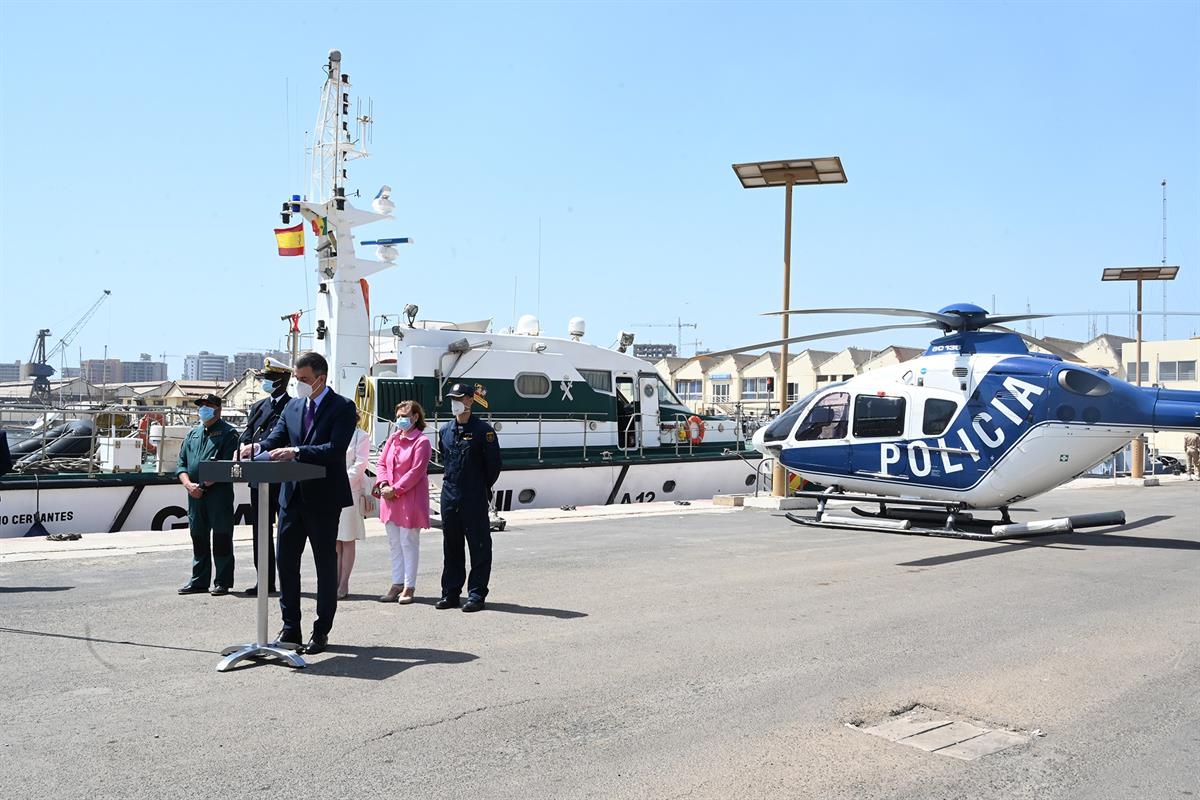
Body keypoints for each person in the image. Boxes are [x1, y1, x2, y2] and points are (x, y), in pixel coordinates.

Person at [240, 351, 356, 655]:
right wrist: (257, 447)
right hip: (290, 498)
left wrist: (297, 452)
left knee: (324, 566)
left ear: (321, 379)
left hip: (323, 499)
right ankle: (290, 627)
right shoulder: (291, 407)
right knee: (286, 563)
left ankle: (321, 631)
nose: (298, 384)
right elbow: (275, 439)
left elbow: (334, 448)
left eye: (303, 379)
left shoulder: (343, 407)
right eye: (296, 378)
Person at [435, 383, 501, 612]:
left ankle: (476, 594)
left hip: (473, 496)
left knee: (479, 546)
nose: (455, 402)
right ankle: (451, 593)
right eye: (452, 398)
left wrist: (478, 488)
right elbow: (445, 459)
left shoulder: (485, 431)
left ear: (470, 400)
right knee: (451, 546)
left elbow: (493, 467)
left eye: (459, 398)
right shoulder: (445, 431)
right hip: (450, 495)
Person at [237, 356, 292, 595]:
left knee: (286, 531)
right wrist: (242, 448)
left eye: (269, 379)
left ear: (281, 381)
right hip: (259, 476)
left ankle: (288, 580)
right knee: (260, 530)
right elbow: (248, 434)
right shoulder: (259, 407)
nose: (265, 383)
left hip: (282, 476)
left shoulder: (293, 406)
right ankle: (265, 581)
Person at [175, 394, 240, 596]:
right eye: (201, 405)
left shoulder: (229, 433)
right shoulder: (192, 434)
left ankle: (222, 581)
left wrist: (204, 484)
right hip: (194, 495)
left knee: (221, 537)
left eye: (208, 405)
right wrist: (188, 485)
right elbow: (181, 465)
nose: (203, 409)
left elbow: (231, 463)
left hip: (218, 494)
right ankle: (199, 581)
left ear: (218, 409)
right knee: (198, 537)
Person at [373, 400, 432, 605]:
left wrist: (394, 489)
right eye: (397, 416)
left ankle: (409, 585)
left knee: (408, 541)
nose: (400, 420)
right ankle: (396, 582)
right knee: (394, 543)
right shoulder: (394, 438)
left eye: (404, 415)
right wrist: (383, 484)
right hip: (390, 498)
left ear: (415, 417)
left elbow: (416, 471)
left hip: (409, 499)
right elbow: (381, 462)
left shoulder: (422, 441)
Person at [335, 412, 371, 599]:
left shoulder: (361, 436)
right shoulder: (332, 433)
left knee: (347, 539)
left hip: (350, 491)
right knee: (334, 540)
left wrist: (341, 482)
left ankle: (343, 583)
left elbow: (360, 463)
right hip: (330, 492)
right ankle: (333, 580)